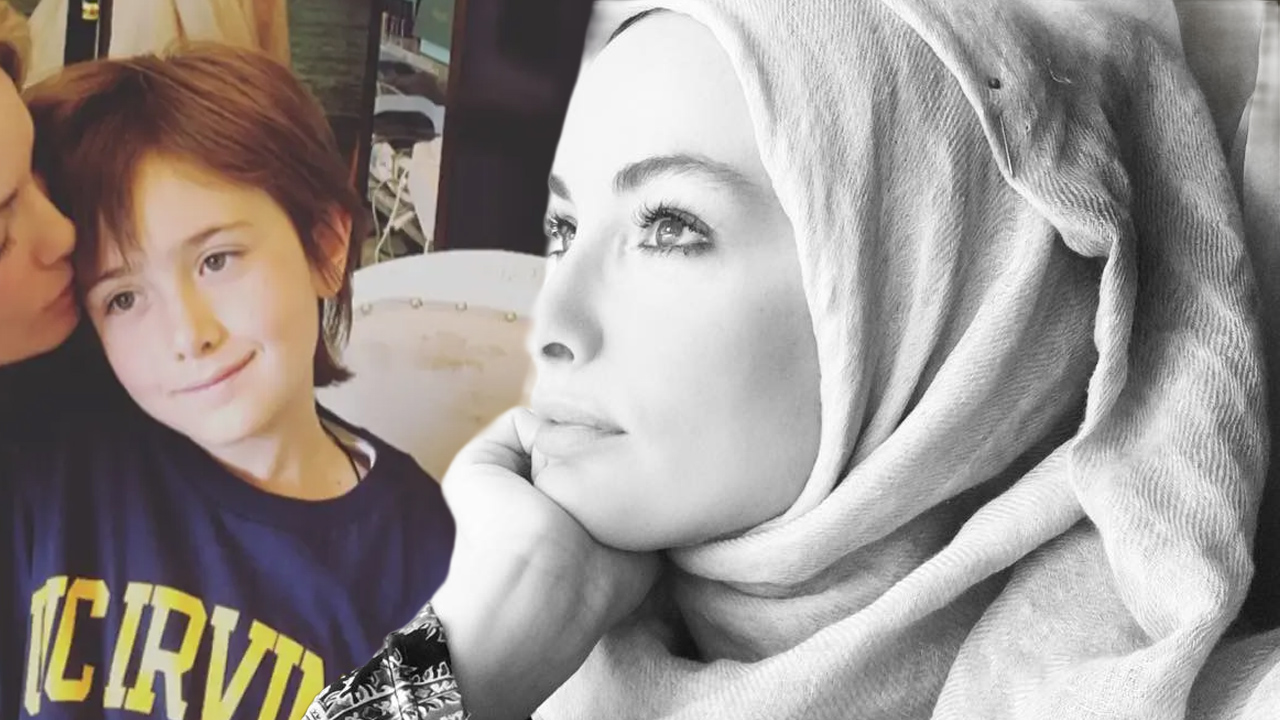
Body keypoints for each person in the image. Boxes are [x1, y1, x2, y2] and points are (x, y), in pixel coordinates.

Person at [305, 0, 1270, 719]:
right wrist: (465, 659)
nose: (550, 318)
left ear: (934, 297)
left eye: (670, 225)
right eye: (563, 229)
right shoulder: (512, 660)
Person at [1, 43, 456, 719]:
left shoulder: (426, 551)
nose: (189, 334)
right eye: (123, 298)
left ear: (326, 246)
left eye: (217, 260)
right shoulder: (51, 453)